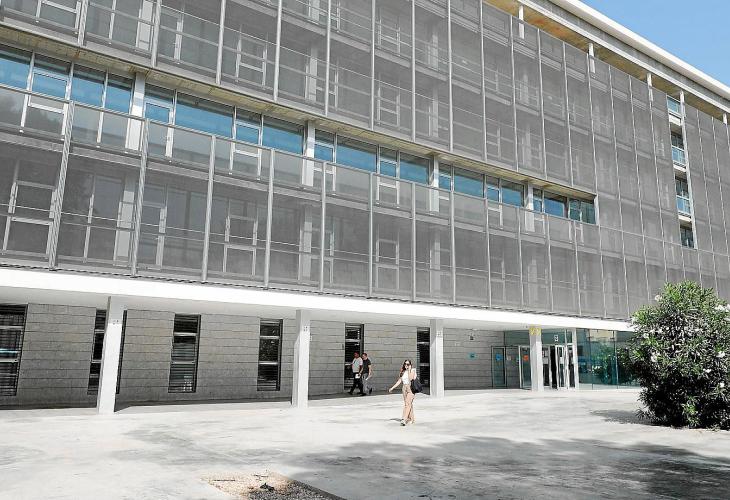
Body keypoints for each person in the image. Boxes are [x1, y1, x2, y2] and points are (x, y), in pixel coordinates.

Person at [388, 359, 417, 426]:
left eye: (408, 364)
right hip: (404, 388)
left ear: (410, 365)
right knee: (408, 404)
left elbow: (410, 378)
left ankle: (404, 419)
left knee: (407, 404)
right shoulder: (402, 371)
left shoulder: (413, 370)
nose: (406, 365)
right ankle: (411, 419)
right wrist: (392, 388)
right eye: (405, 364)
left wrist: (409, 370)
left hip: (411, 388)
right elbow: (399, 381)